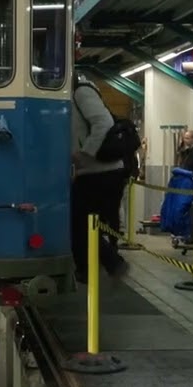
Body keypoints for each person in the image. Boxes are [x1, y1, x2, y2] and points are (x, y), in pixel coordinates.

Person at [69, 74, 128, 284]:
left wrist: (85, 153)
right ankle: (91, 268)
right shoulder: (73, 93)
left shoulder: (81, 91)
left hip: (102, 170)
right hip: (93, 171)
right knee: (83, 223)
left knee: (79, 223)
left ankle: (111, 263)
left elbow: (103, 123)